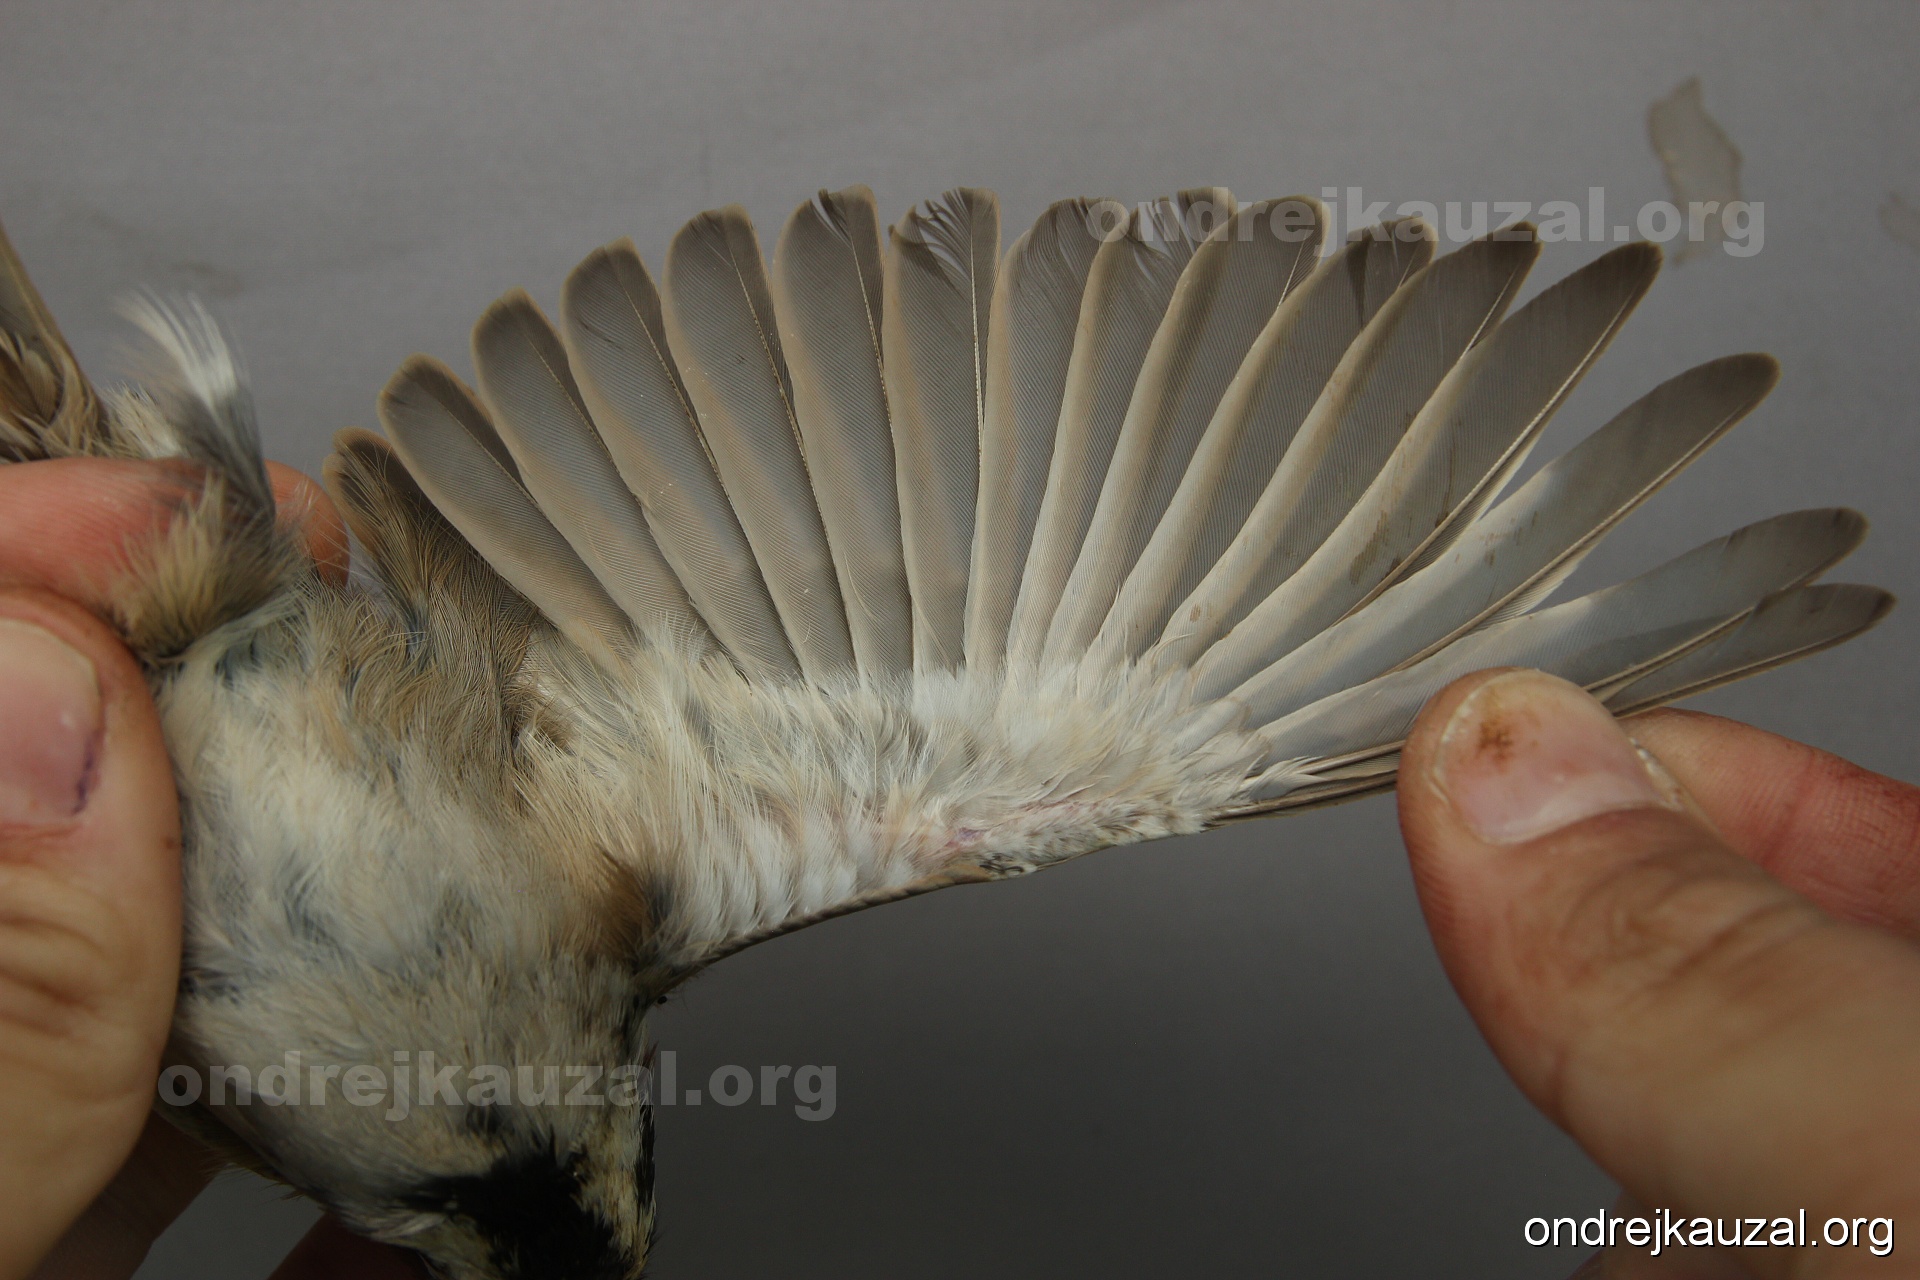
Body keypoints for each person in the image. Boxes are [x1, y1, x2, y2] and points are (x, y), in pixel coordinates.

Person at [2, 458, 1916, 1280]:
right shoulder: (613, 929)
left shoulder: (332, 1148)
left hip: (121, 623)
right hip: (162, 580)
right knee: (1126, 759)